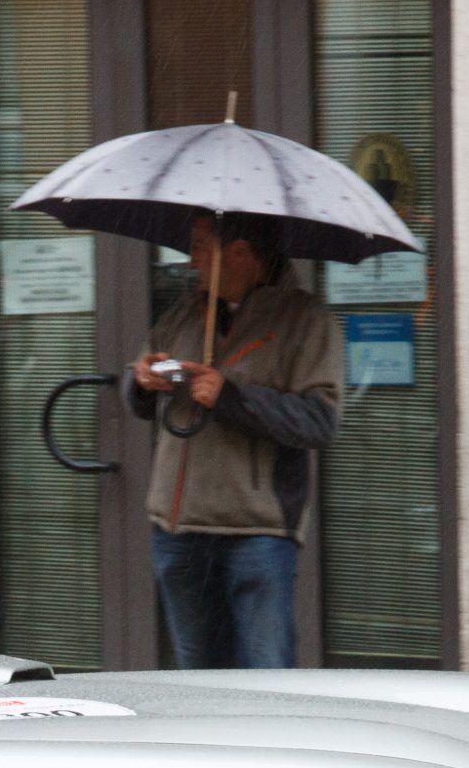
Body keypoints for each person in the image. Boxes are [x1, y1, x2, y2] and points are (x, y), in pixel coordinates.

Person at [125, 211, 345, 670]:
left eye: (201, 248)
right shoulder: (185, 313)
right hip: (178, 530)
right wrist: (142, 382)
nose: (191, 261)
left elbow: (319, 421)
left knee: (267, 678)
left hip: (256, 532)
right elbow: (137, 394)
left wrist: (232, 397)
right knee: (201, 680)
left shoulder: (304, 319)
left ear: (240, 253)